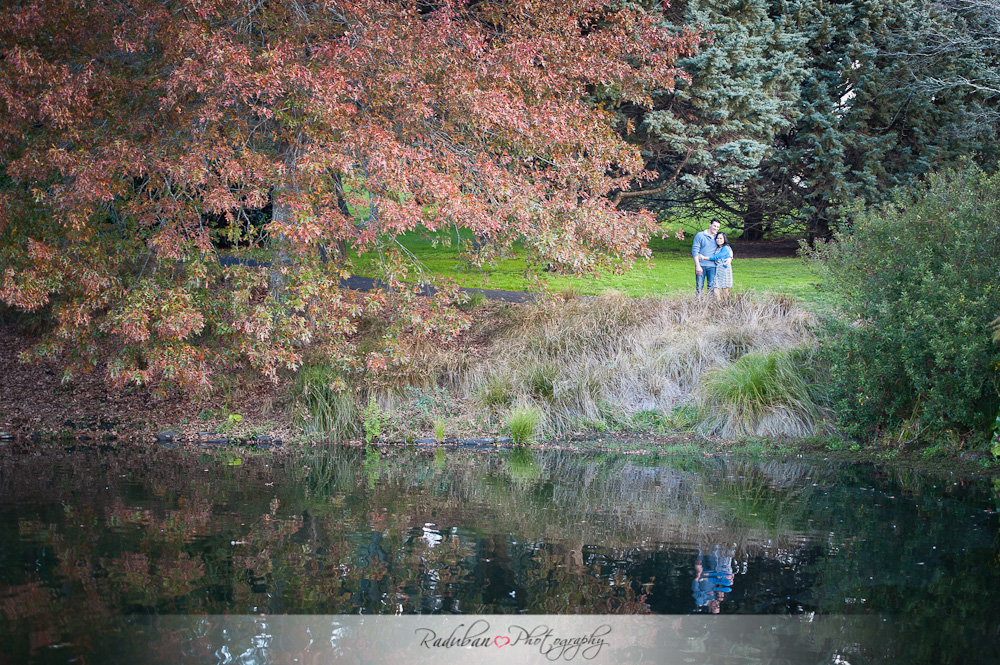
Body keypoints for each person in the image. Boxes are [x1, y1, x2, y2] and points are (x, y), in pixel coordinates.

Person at [698, 232, 733, 299]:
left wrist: (703, 257)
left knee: (724, 288)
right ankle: (718, 304)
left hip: (724, 269)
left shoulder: (726, 248)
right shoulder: (718, 247)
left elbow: (716, 257)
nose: (718, 240)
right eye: (717, 238)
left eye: (721, 238)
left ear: (724, 239)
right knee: (716, 286)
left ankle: (728, 304)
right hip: (718, 270)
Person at [692, 219, 721, 296]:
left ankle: (709, 306)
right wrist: (697, 266)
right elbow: (695, 251)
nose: (716, 228)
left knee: (711, 289)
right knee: (699, 288)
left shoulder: (718, 237)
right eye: (714, 226)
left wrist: (730, 257)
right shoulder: (700, 235)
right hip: (701, 265)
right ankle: (699, 305)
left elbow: (726, 248)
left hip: (713, 266)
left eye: (718, 227)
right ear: (710, 225)